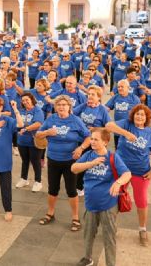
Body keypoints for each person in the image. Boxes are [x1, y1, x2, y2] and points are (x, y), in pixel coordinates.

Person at [72, 128, 132, 266]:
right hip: (90, 203)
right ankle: (87, 258)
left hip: (108, 204)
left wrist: (118, 182)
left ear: (105, 142)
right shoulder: (89, 155)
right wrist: (92, 163)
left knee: (109, 237)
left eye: (95, 139)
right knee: (88, 234)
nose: (92, 141)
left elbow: (127, 174)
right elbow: (74, 168)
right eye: (91, 139)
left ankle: (110, 263)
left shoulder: (112, 157)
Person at [105, 104, 151, 246]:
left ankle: (142, 229)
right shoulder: (126, 124)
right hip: (121, 169)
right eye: (137, 114)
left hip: (141, 172)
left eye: (142, 115)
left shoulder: (150, 133)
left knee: (141, 201)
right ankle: (112, 227)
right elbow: (108, 125)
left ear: (147, 118)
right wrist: (125, 133)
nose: (139, 116)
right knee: (114, 197)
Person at [36, 95, 91, 232]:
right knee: (52, 189)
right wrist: (48, 132)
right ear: (55, 107)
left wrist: (81, 148)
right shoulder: (51, 119)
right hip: (53, 159)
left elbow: (88, 136)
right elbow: (38, 134)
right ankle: (50, 213)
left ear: (69, 107)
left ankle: (75, 217)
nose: (61, 107)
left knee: (71, 190)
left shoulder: (75, 120)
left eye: (64, 105)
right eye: (59, 104)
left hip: (70, 161)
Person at [15, 92, 45, 192]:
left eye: (27, 100)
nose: (25, 102)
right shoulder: (22, 110)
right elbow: (18, 123)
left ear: (32, 99)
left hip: (34, 141)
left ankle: (38, 181)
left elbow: (38, 123)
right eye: (23, 101)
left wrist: (26, 129)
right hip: (22, 141)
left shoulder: (37, 110)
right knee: (25, 160)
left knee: (35, 161)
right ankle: (24, 179)